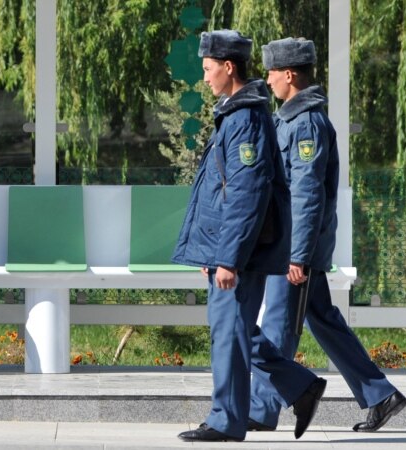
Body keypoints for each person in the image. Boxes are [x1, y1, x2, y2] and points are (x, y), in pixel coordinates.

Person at [172, 29, 327, 442]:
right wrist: (212, 252)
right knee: (234, 330)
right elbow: (220, 192)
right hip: (228, 250)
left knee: (229, 333)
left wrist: (229, 259)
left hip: (240, 254)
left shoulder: (245, 119)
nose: (205, 77)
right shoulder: (236, 114)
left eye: (208, 69)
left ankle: (225, 420)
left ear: (228, 67)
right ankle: (299, 386)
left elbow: (246, 195)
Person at [248, 37, 406, 433]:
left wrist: (297, 255)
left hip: (295, 248)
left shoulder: (306, 124)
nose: (268, 80)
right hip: (294, 245)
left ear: (289, 74)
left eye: (271, 72)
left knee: (279, 323)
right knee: (321, 319)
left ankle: (262, 410)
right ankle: (380, 394)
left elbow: (307, 195)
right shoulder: (292, 119)